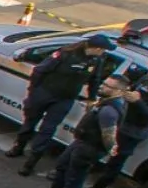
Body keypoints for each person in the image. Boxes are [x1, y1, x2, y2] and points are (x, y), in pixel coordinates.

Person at [7, 34, 113, 175]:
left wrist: (91, 98)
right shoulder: (66, 53)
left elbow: (95, 80)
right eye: (103, 50)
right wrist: (34, 91)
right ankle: (18, 146)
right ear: (97, 48)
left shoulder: (96, 60)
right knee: (30, 122)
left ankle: (31, 162)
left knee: (48, 129)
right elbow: (40, 70)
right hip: (44, 92)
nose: (103, 53)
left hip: (64, 99)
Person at [82, 54, 148, 188]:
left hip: (134, 130)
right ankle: (82, 173)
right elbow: (132, 89)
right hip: (122, 120)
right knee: (95, 148)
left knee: (115, 161)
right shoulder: (147, 78)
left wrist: (138, 101)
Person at [40, 75, 127, 188]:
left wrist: (108, 150)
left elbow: (109, 136)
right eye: (103, 83)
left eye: (107, 86)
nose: (101, 86)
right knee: (62, 166)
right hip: (81, 142)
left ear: (118, 91)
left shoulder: (109, 111)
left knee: (74, 178)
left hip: (88, 148)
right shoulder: (106, 103)